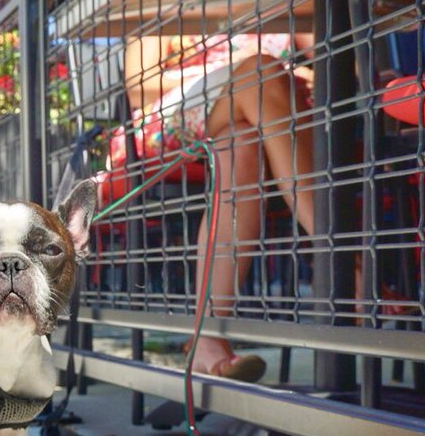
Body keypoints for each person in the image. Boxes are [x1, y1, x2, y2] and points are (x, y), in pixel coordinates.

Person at [123, 32, 318, 381]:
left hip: (269, 113)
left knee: (240, 144)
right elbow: (140, 88)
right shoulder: (168, 8)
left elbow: (337, 53)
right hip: (178, 112)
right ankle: (347, 259)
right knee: (258, 73)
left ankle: (207, 339)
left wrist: (302, 76)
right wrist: (234, 71)